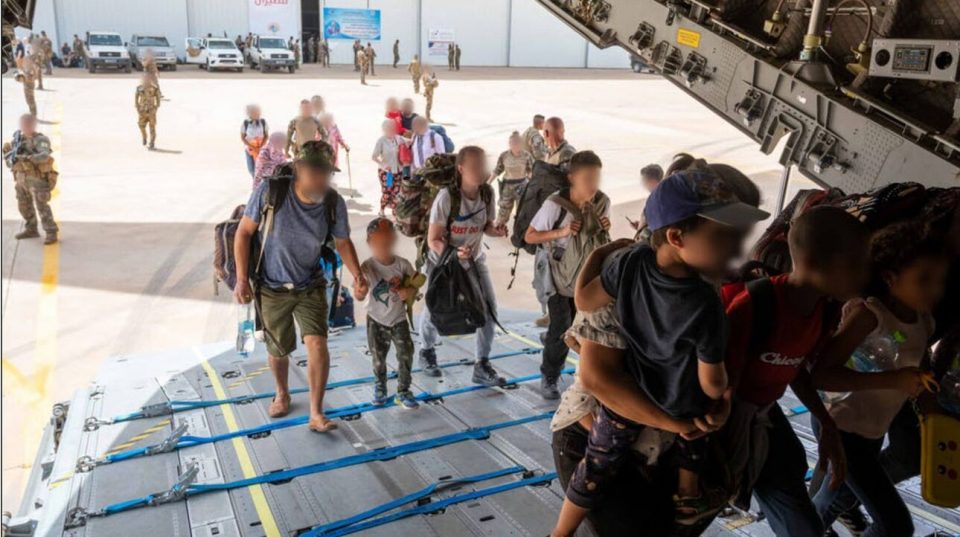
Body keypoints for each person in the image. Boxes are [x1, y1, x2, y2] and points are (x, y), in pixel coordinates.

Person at [551, 170, 769, 536]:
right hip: (630, 414)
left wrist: (598, 255)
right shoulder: (700, 300)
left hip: (641, 426)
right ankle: (688, 494)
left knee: (598, 470)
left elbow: (584, 297)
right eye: (728, 236)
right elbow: (598, 378)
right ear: (677, 236)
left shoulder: (632, 266)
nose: (737, 251)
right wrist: (704, 409)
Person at [718, 205, 874, 537]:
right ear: (817, 262)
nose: (864, 275)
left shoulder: (825, 310)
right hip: (726, 418)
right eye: (855, 265)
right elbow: (722, 379)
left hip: (763, 413)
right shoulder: (756, 305)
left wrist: (826, 422)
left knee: (793, 478)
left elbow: (796, 367)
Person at [808, 222, 945, 537]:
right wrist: (893, 380)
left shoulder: (924, 321)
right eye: (924, 279)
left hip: (872, 429)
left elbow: (920, 367)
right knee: (895, 525)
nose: (936, 290)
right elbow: (822, 375)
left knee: (832, 499)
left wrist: (929, 404)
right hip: (841, 424)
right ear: (890, 278)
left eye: (940, 280)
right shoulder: (870, 315)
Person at [233, 141, 366, 433]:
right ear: (298, 168)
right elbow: (243, 233)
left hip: (310, 283)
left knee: (317, 343)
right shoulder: (270, 193)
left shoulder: (333, 202)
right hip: (271, 286)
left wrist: (358, 275)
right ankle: (282, 393)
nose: (320, 179)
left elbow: (343, 242)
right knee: (278, 349)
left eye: (325, 173)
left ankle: (317, 413)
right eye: (314, 173)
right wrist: (242, 279)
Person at [419, 146, 508, 386]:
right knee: (438, 308)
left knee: (488, 309)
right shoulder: (447, 198)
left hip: (474, 260)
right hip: (443, 262)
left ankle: (482, 364)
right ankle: (426, 350)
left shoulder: (487, 193)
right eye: (474, 166)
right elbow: (433, 239)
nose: (480, 170)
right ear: (461, 169)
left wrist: (496, 230)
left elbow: (486, 226)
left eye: (482, 165)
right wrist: (454, 253)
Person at [525, 151, 610, 400]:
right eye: (587, 179)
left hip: (586, 276)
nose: (593, 185)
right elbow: (530, 236)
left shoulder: (603, 202)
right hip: (557, 278)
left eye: (596, 178)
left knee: (588, 326)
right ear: (572, 178)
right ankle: (550, 375)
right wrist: (560, 232)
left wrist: (605, 228)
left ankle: (591, 376)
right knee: (561, 326)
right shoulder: (555, 205)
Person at [355, 218, 421, 409]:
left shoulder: (403, 265)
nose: (383, 247)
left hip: (398, 319)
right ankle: (380, 387)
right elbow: (358, 295)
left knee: (406, 354)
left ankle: (403, 391)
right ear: (369, 243)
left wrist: (408, 291)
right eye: (378, 243)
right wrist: (360, 290)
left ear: (394, 240)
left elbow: (416, 285)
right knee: (378, 357)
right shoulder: (367, 267)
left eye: (387, 242)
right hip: (375, 320)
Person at [3, 114, 59, 244]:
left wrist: (28, 157)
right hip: (21, 179)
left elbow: (44, 156)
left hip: (36, 180)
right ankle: (31, 229)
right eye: (23, 124)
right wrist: (8, 155)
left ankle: (51, 232)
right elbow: (11, 161)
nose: (25, 127)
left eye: (27, 124)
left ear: (33, 125)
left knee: (42, 207)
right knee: (24, 206)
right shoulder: (18, 140)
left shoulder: (40, 139)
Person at [493, 131, 534, 227]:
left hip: (522, 186)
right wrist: (488, 182)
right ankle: (498, 228)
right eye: (513, 143)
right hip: (507, 187)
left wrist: (533, 184)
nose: (515, 145)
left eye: (517, 143)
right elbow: (498, 170)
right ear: (510, 143)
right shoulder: (504, 155)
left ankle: (520, 230)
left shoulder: (527, 155)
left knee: (522, 210)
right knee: (503, 211)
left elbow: (531, 171)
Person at [372, 120, 404, 216]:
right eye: (389, 128)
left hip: (398, 171)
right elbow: (374, 157)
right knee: (387, 192)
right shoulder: (381, 141)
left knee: (397, 193)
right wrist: (383, 165)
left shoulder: (398, 138)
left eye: (393, 128)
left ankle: (395, 213)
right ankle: (382, 210)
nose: (392, 130)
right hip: (388, 173)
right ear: (384, 130)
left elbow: (410, 142)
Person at [241, 105, 268, 178]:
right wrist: (253, 147)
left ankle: (259, 184)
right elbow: (243, 138)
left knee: (260, 169)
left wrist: (261, 147)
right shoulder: (245, 123)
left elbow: (266, 136)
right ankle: (257, 183)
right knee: (251, 170)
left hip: (261, 149)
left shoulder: (263, 122)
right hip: (249, 149)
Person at [135, 75, 161, 150]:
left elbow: (158, 99)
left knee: (152, 127)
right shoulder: (139, 88)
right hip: (142, 110)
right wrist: (138, 108)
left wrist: (156, 107)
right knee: (141, 125)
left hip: (151, 110)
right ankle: (144, 136)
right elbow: (136, 99)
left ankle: (152, 142)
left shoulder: (154, 88)